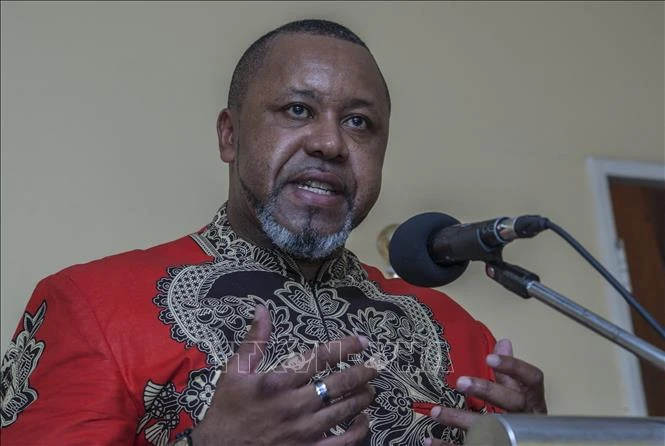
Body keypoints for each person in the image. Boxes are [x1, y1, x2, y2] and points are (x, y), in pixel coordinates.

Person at [0, 19, 547, 446]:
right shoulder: (90, 307)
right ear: (230, 136)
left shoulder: (459, 334)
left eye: (359, 122)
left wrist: (542, 435)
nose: (330, 144)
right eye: (297, 109)